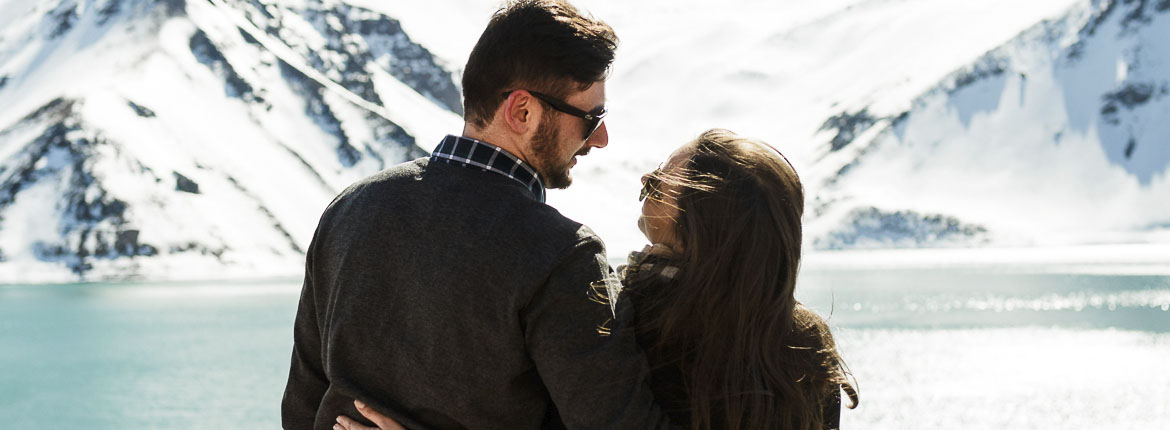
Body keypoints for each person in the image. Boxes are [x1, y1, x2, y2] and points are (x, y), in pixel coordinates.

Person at [281, 1, 674, 429]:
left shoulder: (349, 209)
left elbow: (301, 411)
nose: (600, 138)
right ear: (522, 111)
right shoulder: (560, 254)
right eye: (590, 117)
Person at [337, 130, 860, 430]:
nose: (642, 183)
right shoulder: (803, 349)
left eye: (656, 182)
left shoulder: (616, 313)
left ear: (705, 213)